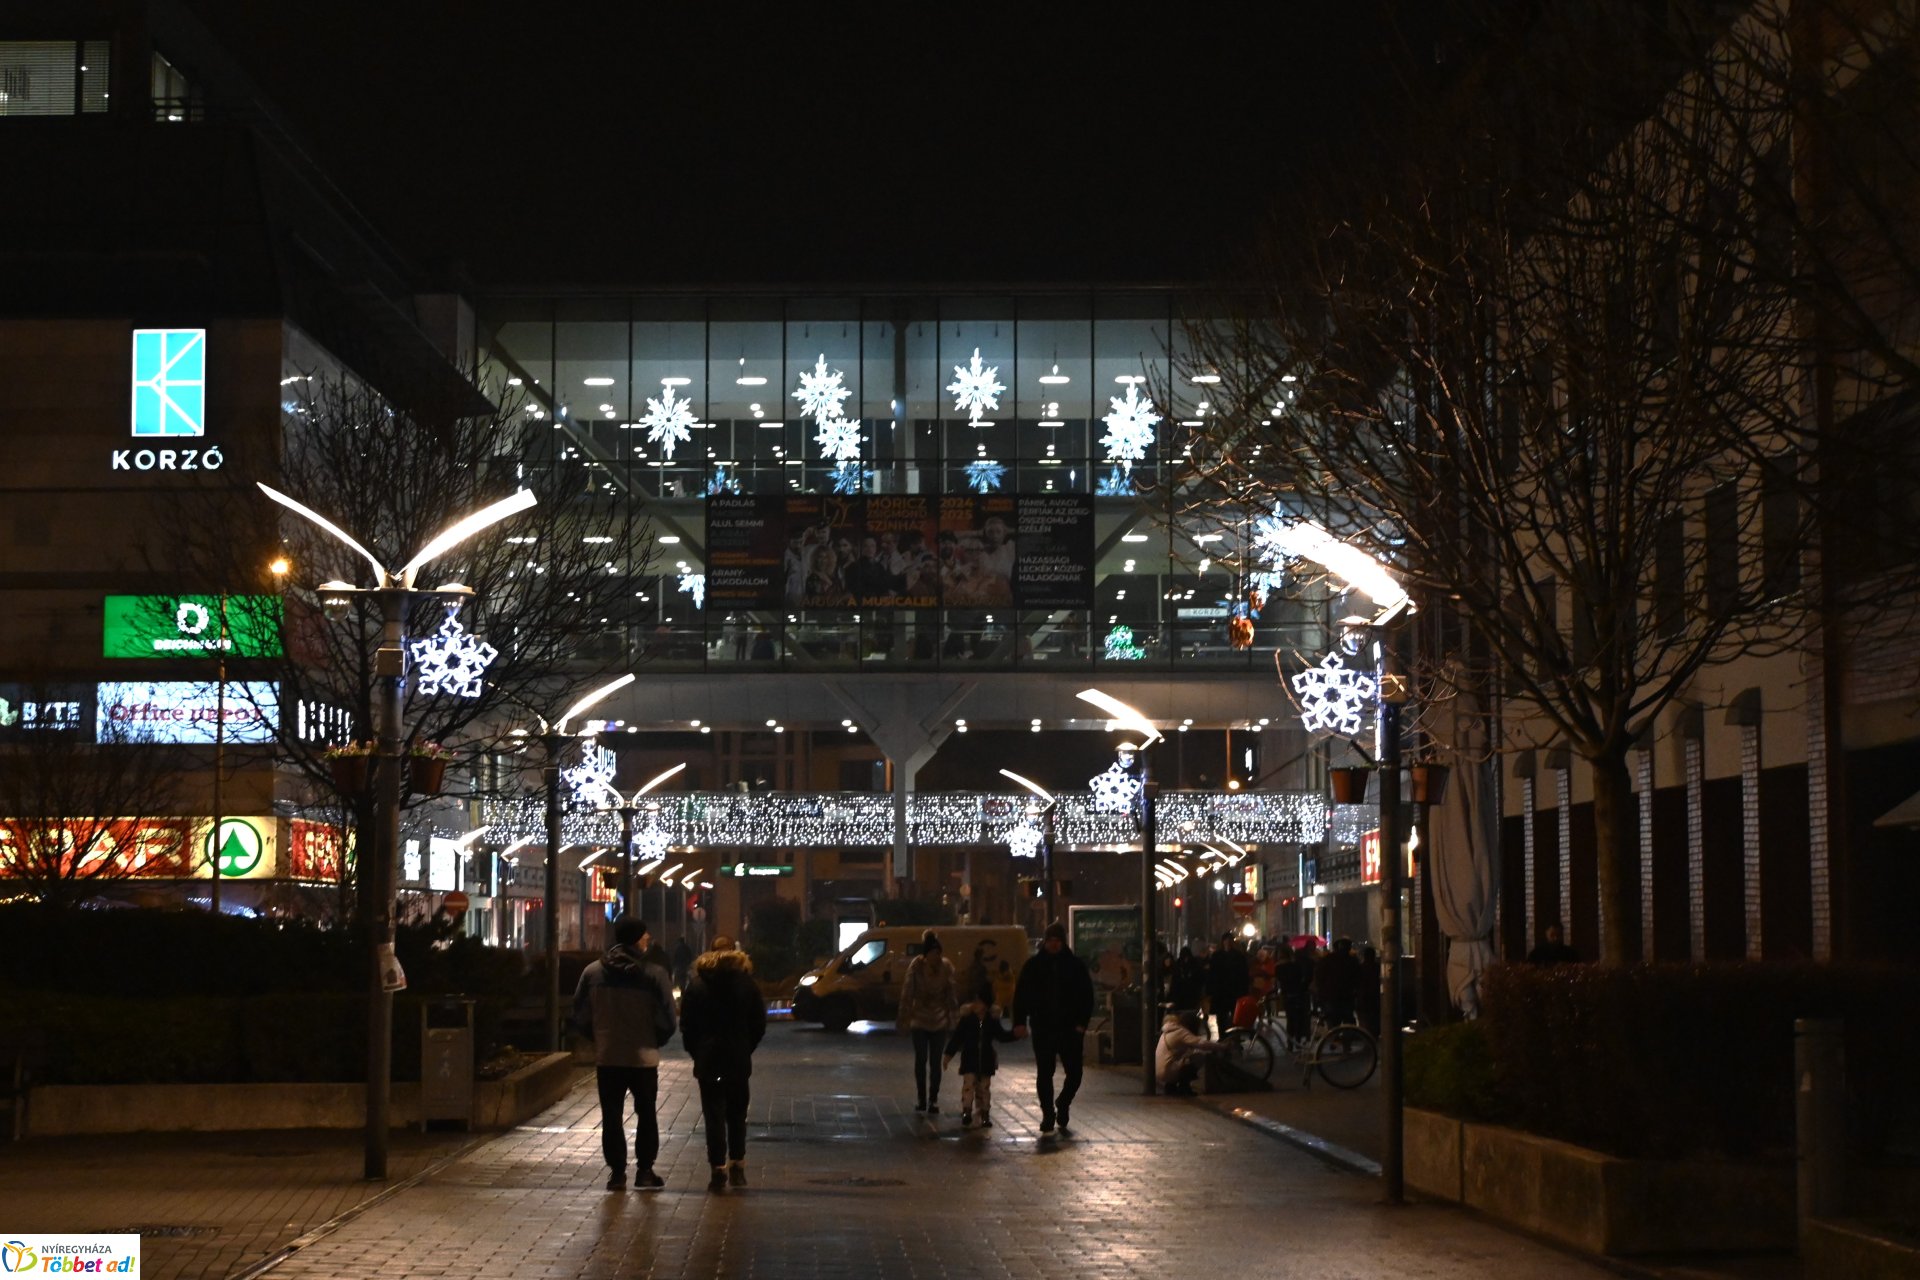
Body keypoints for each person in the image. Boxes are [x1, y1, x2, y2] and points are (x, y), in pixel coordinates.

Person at [570, 916, 676, 1191]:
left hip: (608, 1056)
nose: (648, 939)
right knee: (647, 1114)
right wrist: (654, 1040)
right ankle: (645, 1171)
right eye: (644, 936)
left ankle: (617, 1173)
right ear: (637, 939)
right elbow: (668, 1017)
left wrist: (599, 1038)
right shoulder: (654, 974)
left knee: (612, 1115)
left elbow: (579, 1014)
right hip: (643, 1057)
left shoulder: (592, 972)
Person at [679, 934, 767, 1192]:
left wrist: (697, 1051)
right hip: (738, 1059)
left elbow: (687, 1026)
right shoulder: (747, 984)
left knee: (714, 1115)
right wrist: (745, 1047)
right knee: (737, 1114)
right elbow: (758, 1024)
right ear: (735, 952)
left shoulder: (697, 985)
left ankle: (717, 1169)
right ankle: (737, 1165)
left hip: (708, 1059)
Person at [1010, 921, 1095, 1135]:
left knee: (1075, 1072)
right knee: (1045, 1072)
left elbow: (1086, 996)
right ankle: (1048, 1113)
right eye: (1051, 941)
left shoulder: (1075, 966)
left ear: (1063, 942)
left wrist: (1081, 1025)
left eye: (1057, 941)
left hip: (1069, 1028)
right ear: (1045, 942)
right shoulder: (1034, 966)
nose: (1054, 945)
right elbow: (1021, 996)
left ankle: (1063, 1102)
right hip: (1044, 1027)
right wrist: (1020, 1021)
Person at [897, 929, 960, 1114]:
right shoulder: (916, 967)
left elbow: (951, 995)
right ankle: (921, 1098)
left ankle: (933, 1099)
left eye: (938, 953)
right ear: (926, 954)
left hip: (939, 1020)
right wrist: (904, 1018)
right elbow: (907, 993)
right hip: (919, 1020)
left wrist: (954, 1020)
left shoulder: (946, 968)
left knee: (935, 1062)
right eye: (933, 953)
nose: (936, 956)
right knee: (921, 1060)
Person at [941, 985, 1018, 1127]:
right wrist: (948, 1055)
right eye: (975, 1001)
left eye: (979, 1001)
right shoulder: (967, 1019)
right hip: (970, 1057)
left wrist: (1015, 1034)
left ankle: (985, 1113)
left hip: (986, 1059)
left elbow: (1001, 1035)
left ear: (986, 1004)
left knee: (984, 1087)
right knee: (968, 1085)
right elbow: (957, 1037)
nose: (976, 1004)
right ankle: (967, 1110)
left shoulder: (991, 1020)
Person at [1155, 1010, 1222, 1096]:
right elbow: (1202, 1044)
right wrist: (1222, 1047)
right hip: (1167, 1071)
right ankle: (1184, 1087)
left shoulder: (1168, 1030)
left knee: (1184, 1059)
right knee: (1198, 1057)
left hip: (1159, 1070)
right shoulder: (1180, 1032)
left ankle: (1170, 1086)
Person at [1204, 932, 1251, 1040]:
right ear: (1223, 942)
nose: (1228, 942)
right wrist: (1210, 991)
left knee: (1236, 1017)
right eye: (1226, 940)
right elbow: (1212, 974)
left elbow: (1244, 975)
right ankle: (1223, 1037)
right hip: (1221, 992)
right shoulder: (1217, 956)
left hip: (1234, 992)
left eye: (1230, 940)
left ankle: (1235, 1039)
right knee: (1221, 1018)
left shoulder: (1238, 956)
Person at [1316, 937, 1362, 1027]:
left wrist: (1321, 994)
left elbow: (1319, 978)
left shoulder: (1327, 960)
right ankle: (1346, 1039)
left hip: (1331, 996)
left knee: (1333, 1023)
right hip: (1347, 996)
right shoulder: (1352, 961)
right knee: (1348, 1023)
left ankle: (1334, 1039)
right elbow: (1358, 979)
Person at [1274, 943, 1312, 1045]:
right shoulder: (1295, 965)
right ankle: (1298, 1039)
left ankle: (1290, 1041)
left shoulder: (1278, 967)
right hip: (1298, 993)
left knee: (1290, 1019)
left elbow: (1278, 982)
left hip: (1287, 995)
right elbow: (1301, 978)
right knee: (1299, 1018)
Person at [1169, 944, 1206, 1012]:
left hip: (1191, 995)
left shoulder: (1194, 965)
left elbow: (1200, 979)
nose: (1186, 959)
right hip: (1181, 996)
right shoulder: (1178, 966)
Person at [1358, 944, 1383, 1036]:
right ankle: (1373, 1036)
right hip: (1375, 997)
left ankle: (1367, 1038)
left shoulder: (1361, 967)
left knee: (1365, 1020)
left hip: (1364, 997)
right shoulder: (1378, 967)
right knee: (1374, 1019)